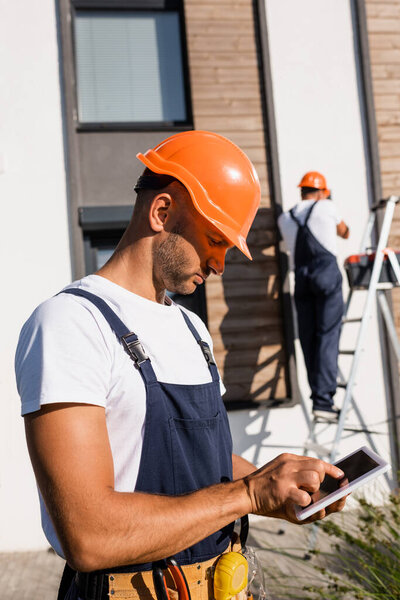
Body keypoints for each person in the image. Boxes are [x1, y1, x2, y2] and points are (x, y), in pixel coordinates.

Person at [15, 134, 346, 600]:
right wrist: (249, 493)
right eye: (214, 240)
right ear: (162, 212)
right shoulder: (70, 324)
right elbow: (88, 536)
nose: (219, 265)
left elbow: (199, 457)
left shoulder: (192, 329)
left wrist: (283, 491)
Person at [278, 171, 350, 421]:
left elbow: (289, 247)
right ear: (321, 191)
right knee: (327, 336)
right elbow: (345, 232)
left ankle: (320, 401)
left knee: (308, 340)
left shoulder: (285, 218)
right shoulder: (326, 206)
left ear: (301, 191)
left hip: (302, 280)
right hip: (326, 275)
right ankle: (324, 401)